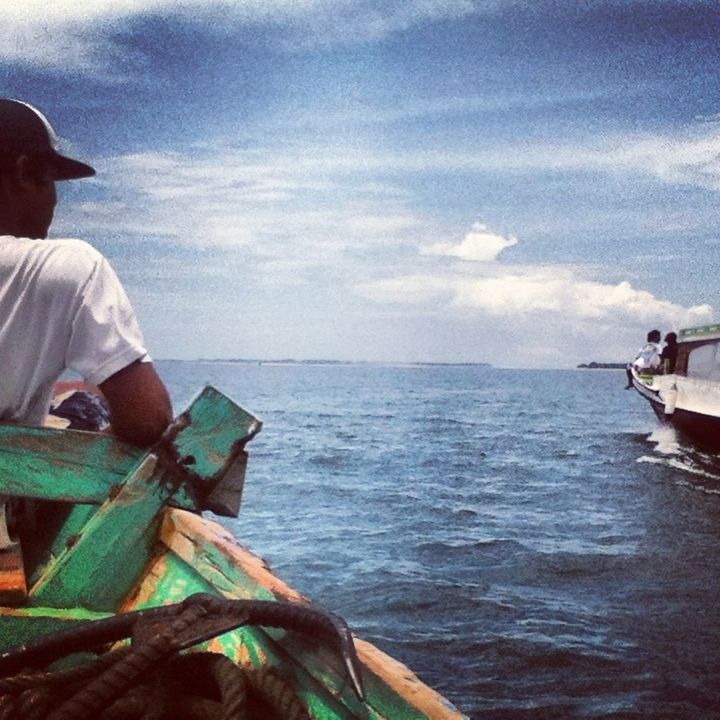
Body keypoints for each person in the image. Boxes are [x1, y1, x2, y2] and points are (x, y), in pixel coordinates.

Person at [0, 99, 172, 445]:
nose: (54, 201)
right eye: (51, 181)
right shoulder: (69, 267)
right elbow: (148, 419)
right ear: (23, 172)